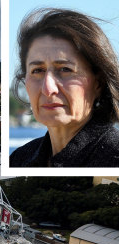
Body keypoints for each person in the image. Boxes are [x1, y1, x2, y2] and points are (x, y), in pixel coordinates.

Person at [10, 8, 119, 167]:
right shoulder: (19, 158)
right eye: (38, 70)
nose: (48, 88)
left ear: (99, 83)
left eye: (65, 69)